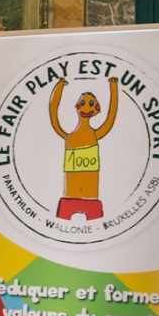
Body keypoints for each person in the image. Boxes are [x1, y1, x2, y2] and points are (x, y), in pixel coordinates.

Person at [47, 77, 118, 220]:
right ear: (77, 106)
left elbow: (110, 118)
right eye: (83, 103)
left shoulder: (94, 135)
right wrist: (59, 86)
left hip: (91, 196)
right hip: (69, 195)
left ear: (96, 108)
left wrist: (113, 87)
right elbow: (53, 113)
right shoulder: (70, 138)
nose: (86, 108)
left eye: (91, 104)